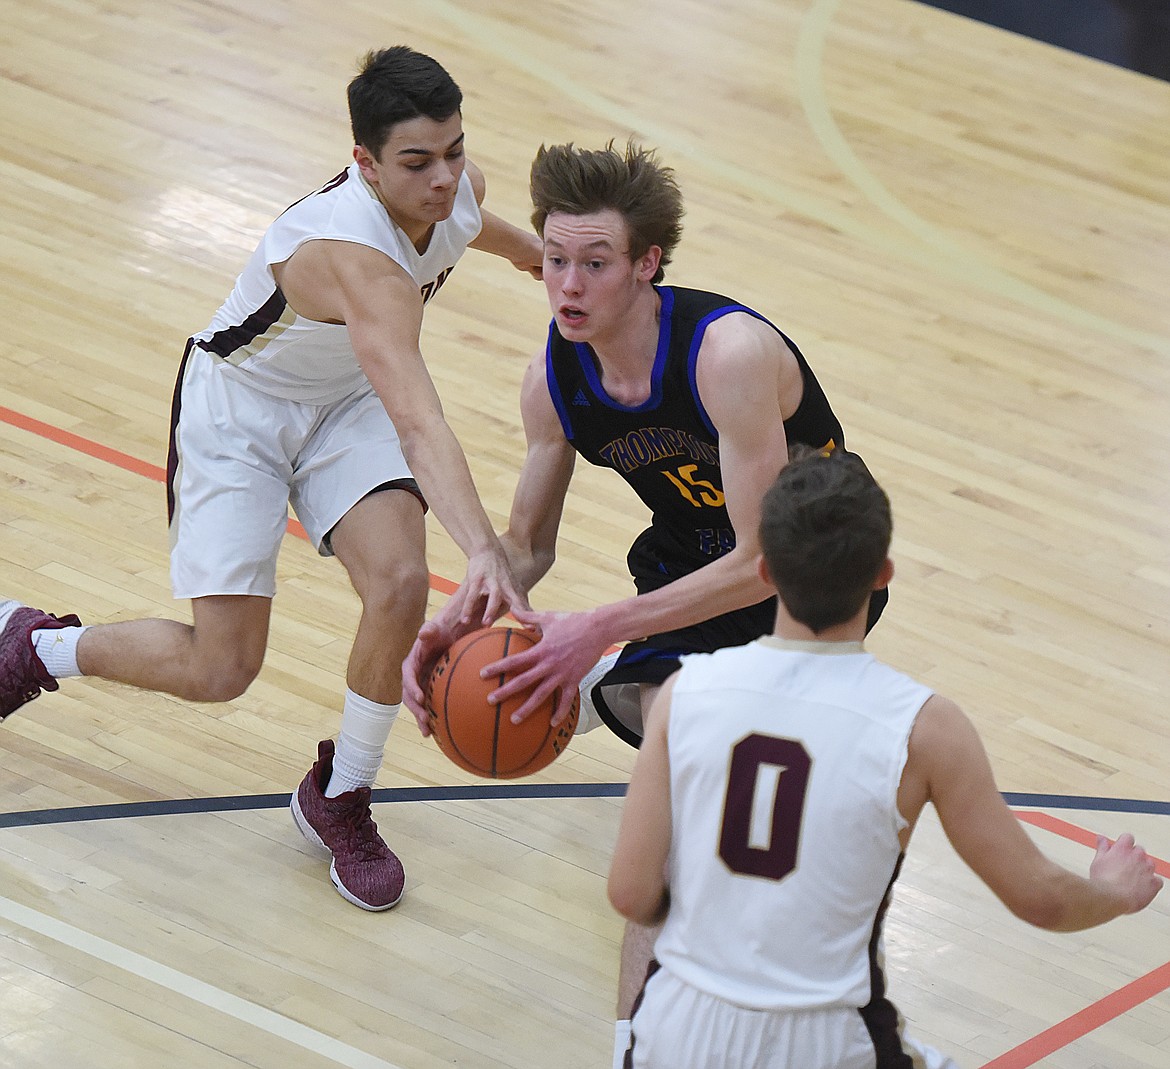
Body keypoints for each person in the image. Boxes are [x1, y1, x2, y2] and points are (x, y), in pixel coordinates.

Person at [0, 46, 542, 912]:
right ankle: (34, 646)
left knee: (402, 580)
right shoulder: (351, 255)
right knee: (223, 669)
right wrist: (481, 547)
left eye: (454, 150)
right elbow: (421, 418)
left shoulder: (452, 184)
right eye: (417, 162)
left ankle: (342, 793)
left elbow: (478, 221)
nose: (445, 177)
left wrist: (546, 261)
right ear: (364, 163)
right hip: (240, 408)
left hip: (344, 403)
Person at [401, 140, 885, 1066]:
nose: (568, 285)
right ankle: (637, 1046)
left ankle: (603, 685)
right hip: (684, 567)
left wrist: (598, 627)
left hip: (815, 575)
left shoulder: (727, 355)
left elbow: (764, 563)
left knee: (726, 828)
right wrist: (462, 615)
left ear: (647, 264)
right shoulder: (558, 377)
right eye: (553, 260)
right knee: (679, 801)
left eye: (595, 264)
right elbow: (528, 549)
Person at [606, 449, 1162, 1069]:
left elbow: (631, 893)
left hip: (677, 1030)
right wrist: (1113, 892)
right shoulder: (925, 726)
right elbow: (1042, 900)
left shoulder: (684, 693)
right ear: (884, 574)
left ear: (763, 571)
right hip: (822, 1040)